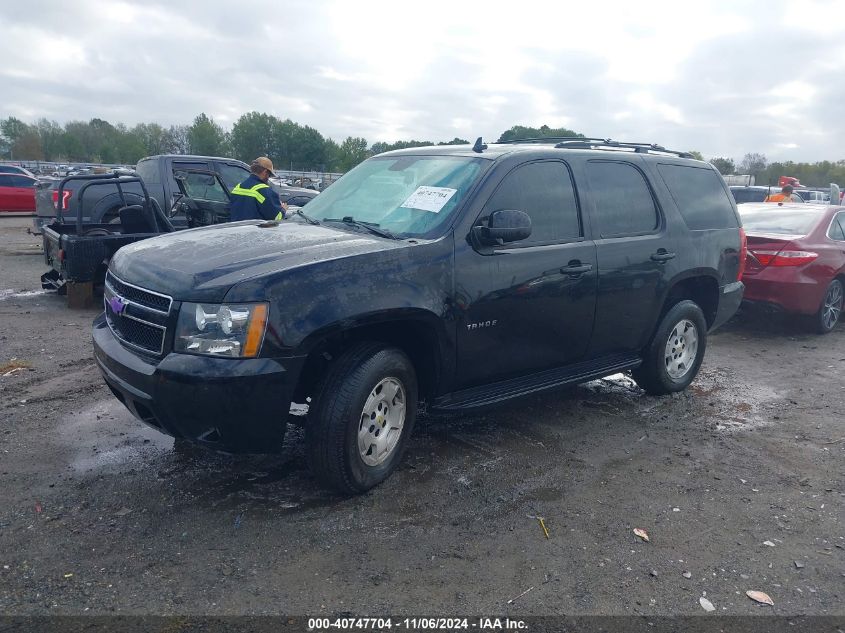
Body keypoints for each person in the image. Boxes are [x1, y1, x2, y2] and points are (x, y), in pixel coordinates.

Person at [229, 157, 286, 221]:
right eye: (269, 175)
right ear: (265, 172)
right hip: (254, 230)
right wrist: (283, 210)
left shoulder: (238, 187)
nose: (268, 177)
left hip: (235, 229)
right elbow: (276, 218)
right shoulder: (265, 191)